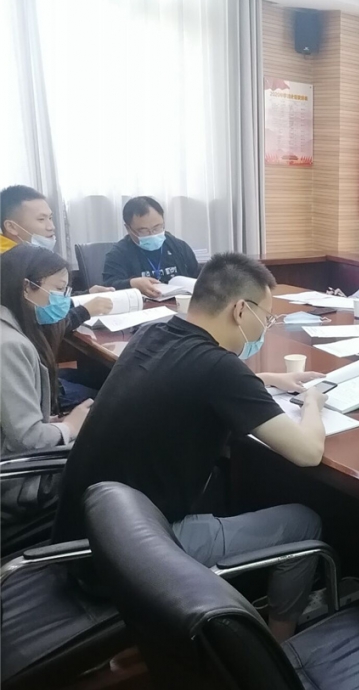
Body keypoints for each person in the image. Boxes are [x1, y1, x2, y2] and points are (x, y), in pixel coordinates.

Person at [53, 253, 330, 641]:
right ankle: (279, 647)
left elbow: (191, 377)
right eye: (266, 317)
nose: (264, 328)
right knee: (304, 523)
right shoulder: (220, 369)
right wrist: (313, 402)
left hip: (79, 537)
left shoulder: (152, 333)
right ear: (240, 310)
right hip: (127, 554)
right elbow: (308, 453)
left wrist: (266, 378)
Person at [1, 246, 94, 525]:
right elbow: (27, 439)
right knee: (117, 457)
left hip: (16, 463)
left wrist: (52, 424)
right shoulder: (9, 346)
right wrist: (69, 428)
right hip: (17, 483)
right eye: (59, 289)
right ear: (26, 288)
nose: (63, 299)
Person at [1, 185, 115, 323]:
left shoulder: (29, 255)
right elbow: (39, 325)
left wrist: (86, 295)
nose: (51, 227)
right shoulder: (8, 266)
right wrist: (85, 311)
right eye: (41, 219)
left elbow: (45, 303)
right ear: (12, 227)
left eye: (50, 218)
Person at [103, 196, 199, 297]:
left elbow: (199, 277)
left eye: (157, 228)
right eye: (143, 231)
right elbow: (108, 287)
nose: (152, 234)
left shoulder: (178, 247)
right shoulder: (118, 254)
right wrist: (131, 283)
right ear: (128, 228)